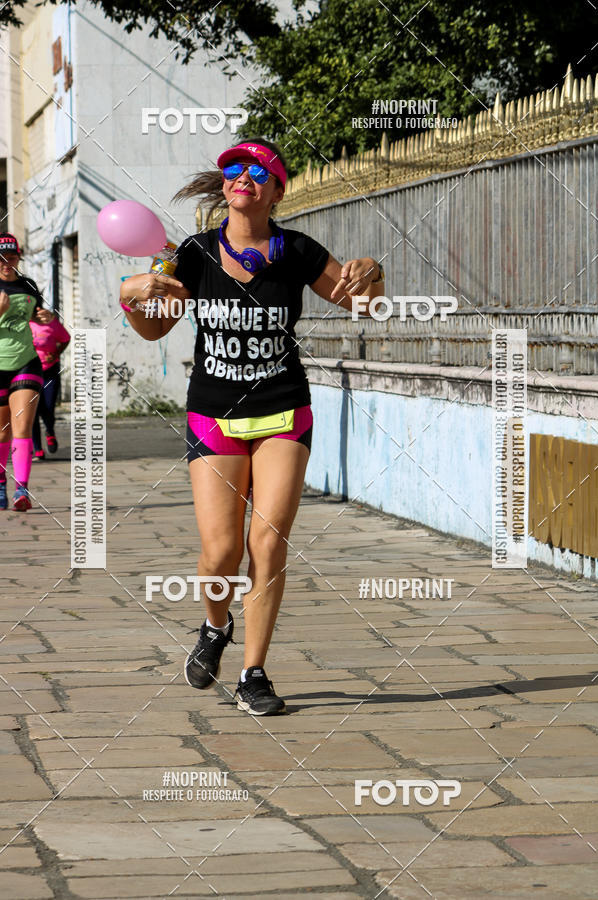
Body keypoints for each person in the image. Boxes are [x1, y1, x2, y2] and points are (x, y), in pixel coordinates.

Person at [119, 138, 384, 714]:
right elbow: (152, 333)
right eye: (234, 168)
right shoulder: (193, 253)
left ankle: (254, 674)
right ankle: (215, 628)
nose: (244, 175)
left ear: (276, 190)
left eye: (259, 170)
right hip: (214, 416)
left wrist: (373, 275)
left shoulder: (297, 251)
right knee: (220, 554)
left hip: (284, 410)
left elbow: (364, 304)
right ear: (225, 186)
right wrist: (138, 298)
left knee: (267, 543)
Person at [0, 233, 54, 511]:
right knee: (2, 432)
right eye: (1, 259)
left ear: (18, 257)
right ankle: (0, 484)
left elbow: (36, 314)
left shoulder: (28, 286)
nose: (6, 264)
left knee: (22, 425)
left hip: (26, 362)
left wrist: (43, 317)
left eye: (11, 258)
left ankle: (22, 490)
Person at [30, 314, 71, 460]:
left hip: (49, 371)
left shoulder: (51, 322)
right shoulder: (23, 322)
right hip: (30, 371)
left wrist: (55, 353)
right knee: (32, 412)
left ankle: (49, 431)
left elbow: (65, 339)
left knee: (48, 407)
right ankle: (38, 450)